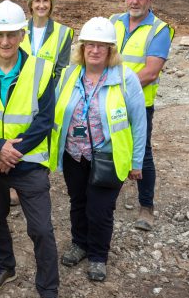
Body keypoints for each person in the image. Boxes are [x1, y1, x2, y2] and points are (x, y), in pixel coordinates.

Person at [0, 1, 64, 298]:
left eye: (11, 35)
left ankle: (48, 290)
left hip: (28, 164)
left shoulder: (40, 69)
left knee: (41, 229)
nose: (5, 42)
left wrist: (11, 154)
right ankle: (4, 267)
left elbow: (44, 121)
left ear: (22, 34)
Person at [52, 17, 147, 283]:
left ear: (110, 50)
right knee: (78, 202)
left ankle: (97, 256)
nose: (94, 50)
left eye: (101, 46)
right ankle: (79, 243)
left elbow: (139, 123)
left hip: (108, 156)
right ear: (81, 48)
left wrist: (136, 161)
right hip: (74, 154)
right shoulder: (70, 74)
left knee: (100, 209)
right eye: (89, 45)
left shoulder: (125, 79)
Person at [110, 0, 174, 231]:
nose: (134, 1)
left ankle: (146, 206)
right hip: (110, 101)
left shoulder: (159, 30)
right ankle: (106, 199)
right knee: (106, 149)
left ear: (150, 0)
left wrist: (118, 90)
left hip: (139, 105)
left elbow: (150, 71)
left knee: (142, 154)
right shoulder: (113, 22)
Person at [21, 0, 74, 69]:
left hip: (50, 84)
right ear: (31, 4)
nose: (41, 6)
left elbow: (60, 71)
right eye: (37, 1)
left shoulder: (63, 33)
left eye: (45, 0)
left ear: (51, 3)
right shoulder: (19, 29)